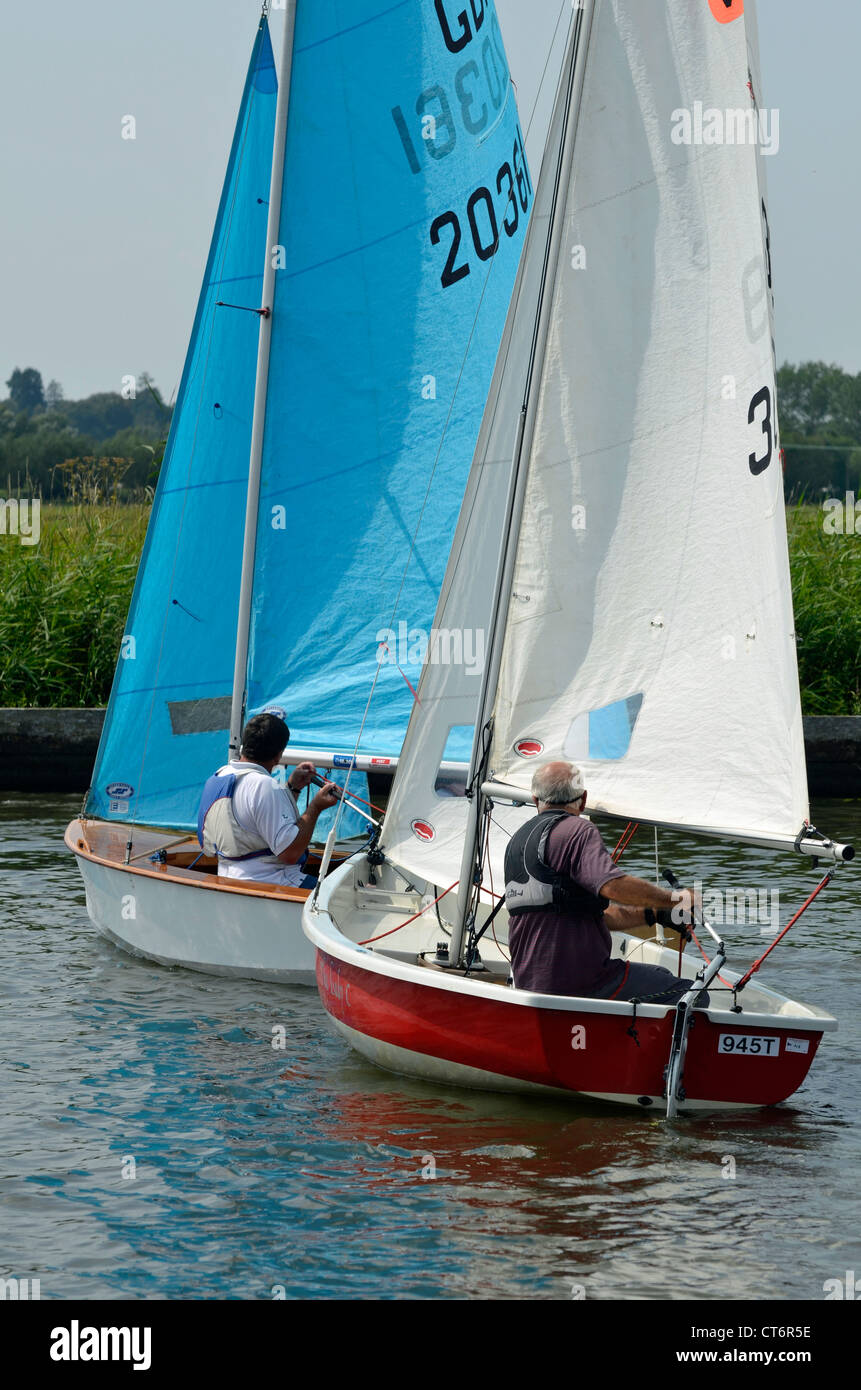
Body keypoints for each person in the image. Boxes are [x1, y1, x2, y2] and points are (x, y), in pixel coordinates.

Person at [504, 760, 709, 1006]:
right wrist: (676, 899)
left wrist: (654, 914)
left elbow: (590, 917)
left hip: (532, 984)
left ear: (536, 800)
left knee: (661, 976)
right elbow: (612, 886)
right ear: (583, 799)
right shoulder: (578, 830)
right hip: (586, 983)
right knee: (694, 995)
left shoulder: (516, 842)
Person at [197, 713, 340, 888]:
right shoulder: (264, 785)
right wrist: (316, 807)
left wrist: (293, 787)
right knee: (341, 897)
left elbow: (258, 822)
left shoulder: (218, 776)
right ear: (278, 755)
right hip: (271, 881)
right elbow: (290, 853)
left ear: (245, 744)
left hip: (227, 877)